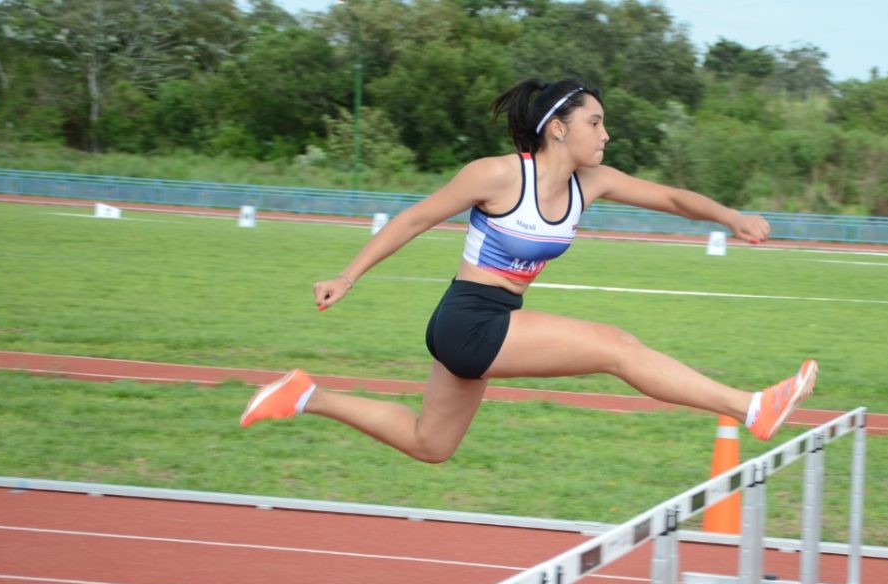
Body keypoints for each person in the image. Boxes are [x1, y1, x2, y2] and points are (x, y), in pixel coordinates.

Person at [240, 77, 817, 462]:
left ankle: (305, 395)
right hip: (469, 321)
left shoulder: (591, 184)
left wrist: (730, 216)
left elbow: (671, 199)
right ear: (559, 127)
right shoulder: (495, 176)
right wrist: (348, 275)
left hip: (489, 324)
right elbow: (414, 220)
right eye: (596, 122)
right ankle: (751, 408)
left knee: (431, 443)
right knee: (618, 347)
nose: (607, 134)